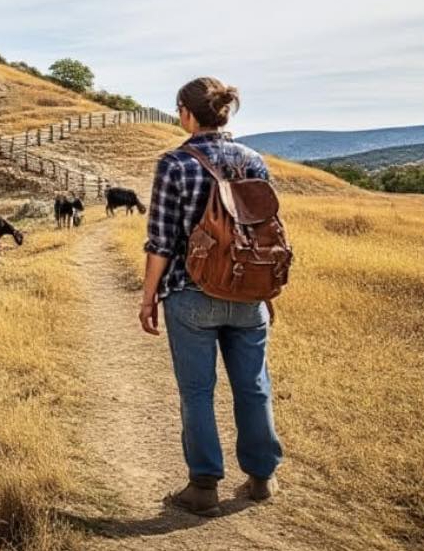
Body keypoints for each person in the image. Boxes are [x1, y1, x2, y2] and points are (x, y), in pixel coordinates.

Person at [138, 76, 283, 517]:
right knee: (254, 386)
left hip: (191, 293)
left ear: (186, 112)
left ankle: (203, 487)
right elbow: (265, 232)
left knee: (197, 391)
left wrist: (148, 299)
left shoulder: (174, 164)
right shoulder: (254, 161)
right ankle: (262, 479)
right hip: (249, 291)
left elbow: (160, 242)